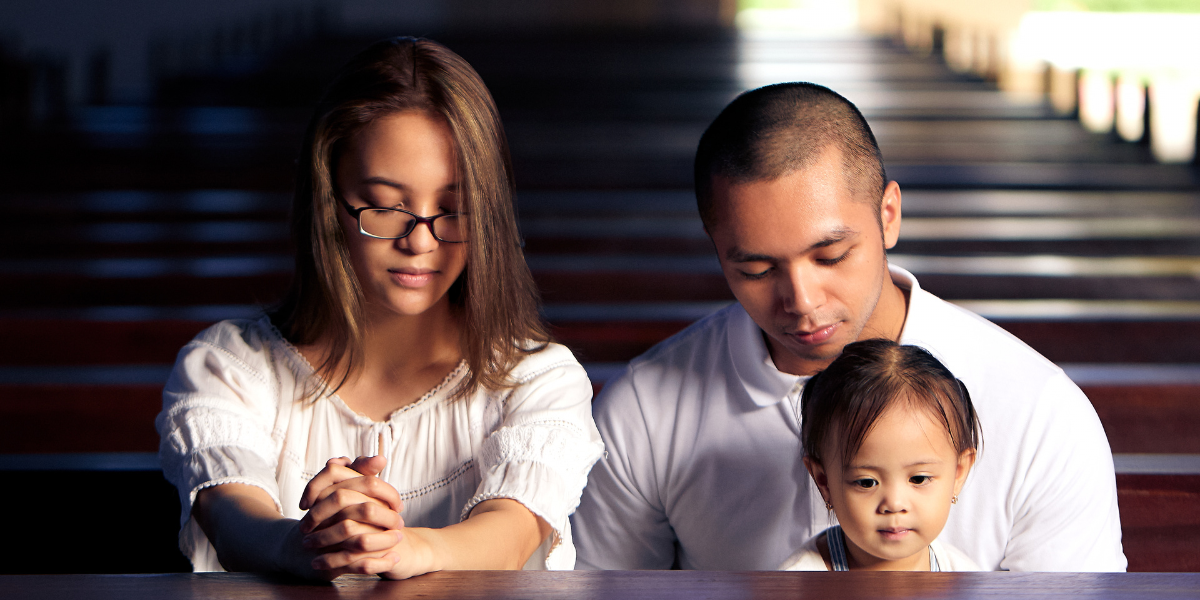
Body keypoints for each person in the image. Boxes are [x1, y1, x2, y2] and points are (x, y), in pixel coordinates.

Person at [571, 82, 1126, 571]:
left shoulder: (1038, 410)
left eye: (831, 255)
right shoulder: (643, 411)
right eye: (756, 269)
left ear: (888, 216)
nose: (802, 301)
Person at [157, 37, 603, 580]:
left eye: (454, 208)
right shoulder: (230, 368)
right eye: (388, 206)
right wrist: (304, 543)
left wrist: (403, 550)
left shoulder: (537, 379)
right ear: (330, 202)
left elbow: (510, 532)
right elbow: (233, 521)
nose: (420, 242)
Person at [779, 339, 981, 571]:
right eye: (867, 482)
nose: (894, 504)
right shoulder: (799, 582)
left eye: (919, 479)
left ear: (958, 474)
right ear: (823, 481)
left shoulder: (964, 576)